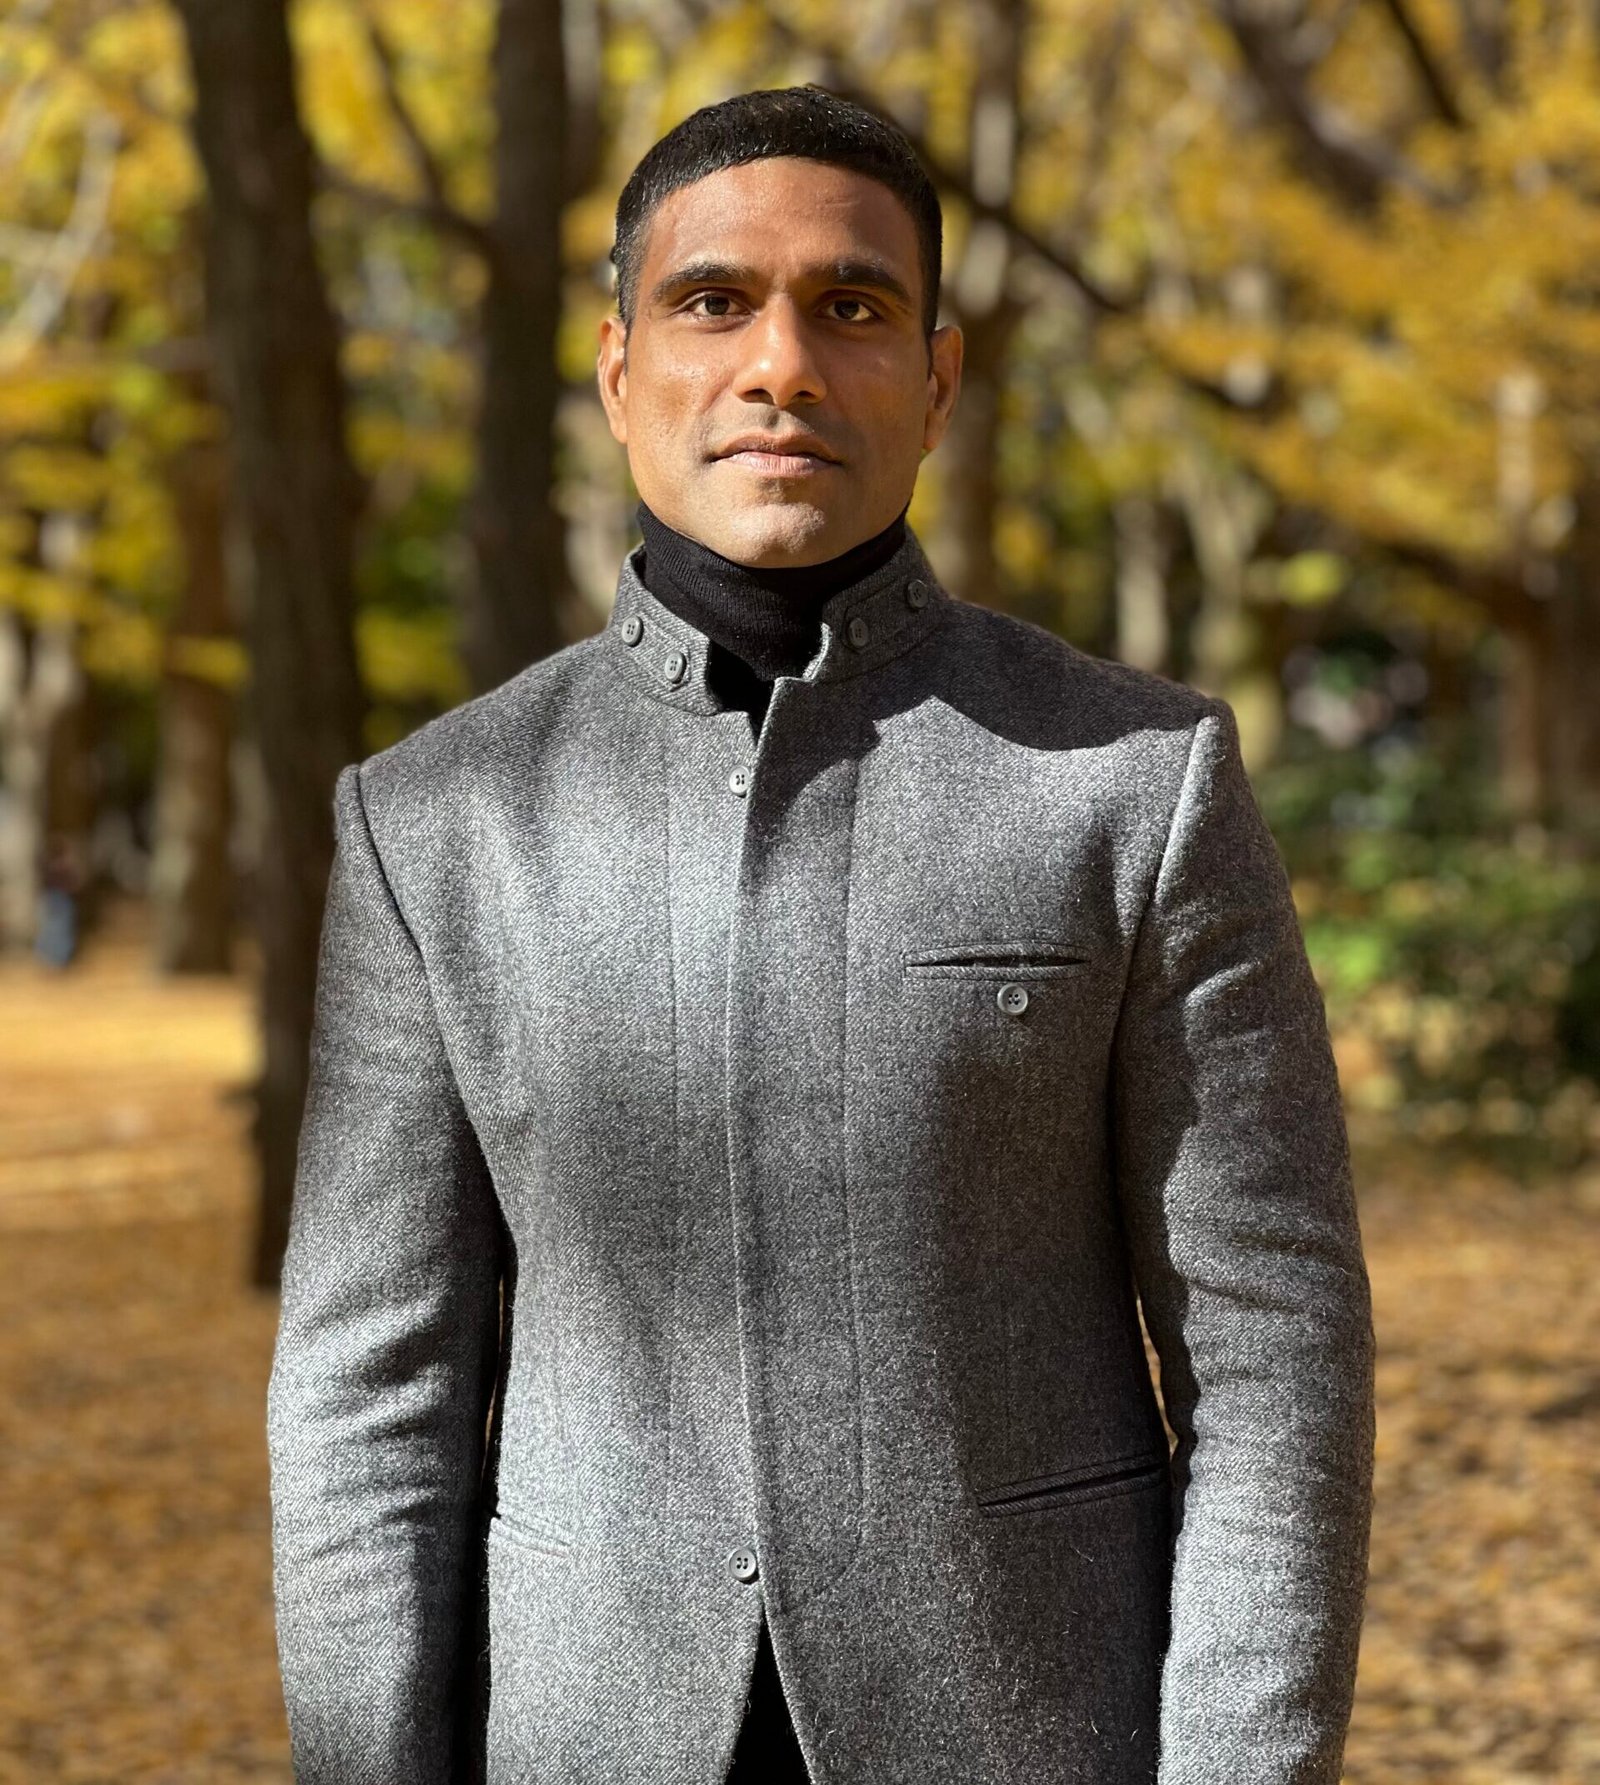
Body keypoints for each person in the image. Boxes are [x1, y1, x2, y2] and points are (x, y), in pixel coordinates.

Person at [266, 84, 1375, 1785]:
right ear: (619, 371)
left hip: (1030, 1730)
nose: (780, 363)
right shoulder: (438, 822)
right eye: (713, 301)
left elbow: (1273, 1354)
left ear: (935, 382)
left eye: (850, 306)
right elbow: (368, 1397)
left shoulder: (1135, 785)